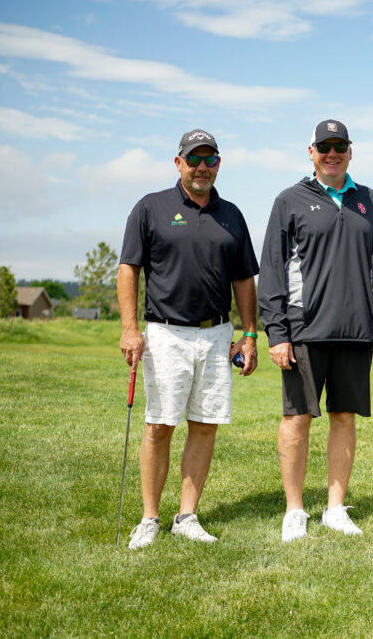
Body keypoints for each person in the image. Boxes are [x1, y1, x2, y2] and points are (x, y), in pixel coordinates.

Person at [259, 119, 373, 542]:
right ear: (312, 153)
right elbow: (272, 271)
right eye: (325, 147)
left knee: (344, 418)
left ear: (350, 152)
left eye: (340, 146)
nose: (332, 153)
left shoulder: (370, 201)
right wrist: (277, 332)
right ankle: (295, 510)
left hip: (356, 331)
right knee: (296, 418)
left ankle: (335, 509)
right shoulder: (290, 200)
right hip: (303, 330)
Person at [117, 128, 259, 550]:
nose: (201, 167)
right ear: (178, 162)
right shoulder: (151, 207)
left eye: (209, 159)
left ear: (218, 164)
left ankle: (187, 516)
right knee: (160, 425)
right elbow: (129, 268)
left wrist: (249, 334)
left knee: (205, 425)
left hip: (216, 334)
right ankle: (149, 518)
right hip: (165, 333)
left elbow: (244, 280)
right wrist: (129, 328)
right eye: (194, 159)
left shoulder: (231, 215)